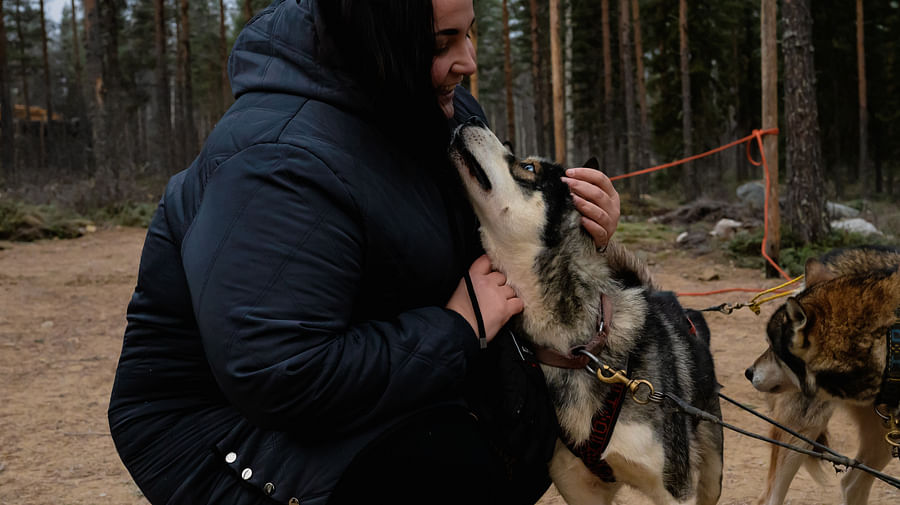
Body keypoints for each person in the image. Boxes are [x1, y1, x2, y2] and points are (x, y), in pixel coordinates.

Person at [107, 1, 621, 504]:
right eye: (443, 42)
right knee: (447, 465)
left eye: (469, 34)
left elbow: (491, 233)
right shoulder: (278, 161)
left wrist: (574, 229)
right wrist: (457, 328)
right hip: (220, 432)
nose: (468, 61)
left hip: (367, 359)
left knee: (529, 411)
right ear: (381, 39)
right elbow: (282, 373)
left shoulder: (434, 104)